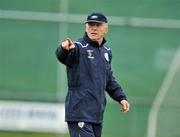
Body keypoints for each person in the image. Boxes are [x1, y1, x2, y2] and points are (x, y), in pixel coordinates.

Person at [55, 12, 130, 137]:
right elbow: (63, 56)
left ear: (106, 28)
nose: (94, 28)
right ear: (86, 27)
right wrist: (64, 49)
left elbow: (109, 79)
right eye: (90, 25)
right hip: (79, 112)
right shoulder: (78, 47)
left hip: (96, 114)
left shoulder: (106, 51)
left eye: (98, 25)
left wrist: (121, 97)